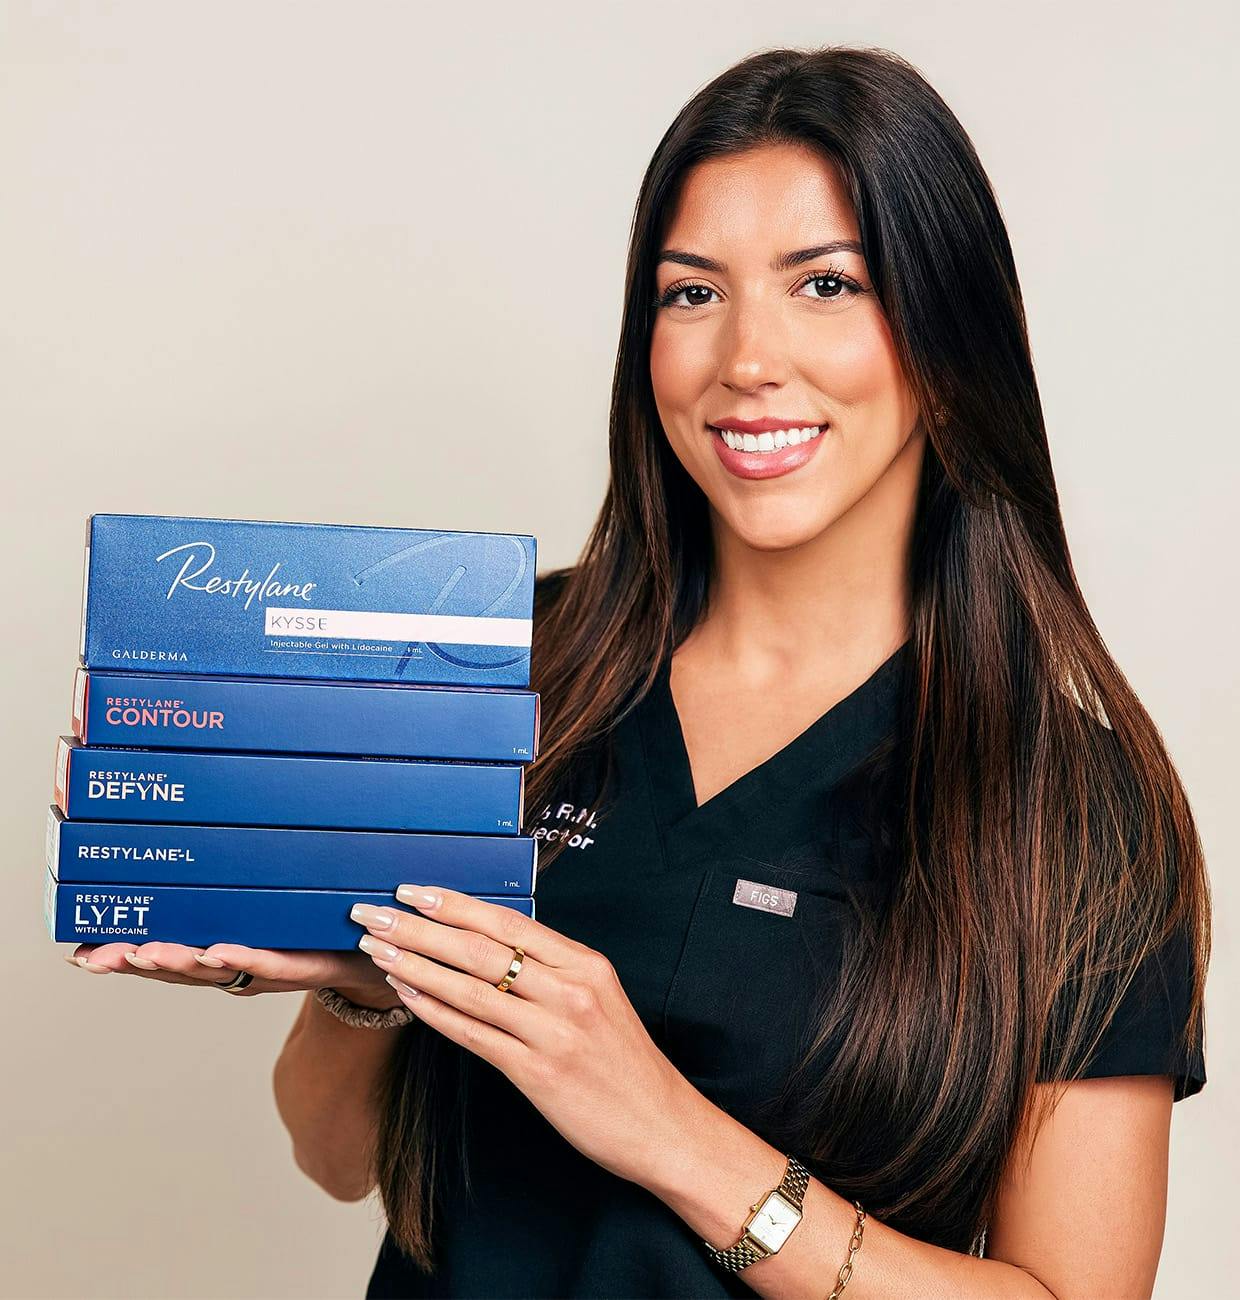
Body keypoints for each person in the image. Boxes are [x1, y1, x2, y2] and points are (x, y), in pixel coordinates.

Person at [66, 45, 1209, 1300]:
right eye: (690, 293)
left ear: (946, 333)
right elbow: (333, 1154)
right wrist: (373, 987)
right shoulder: (504, 668)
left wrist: (663, 1127)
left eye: (827, 284)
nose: (747, 360)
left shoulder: (1071, 804)